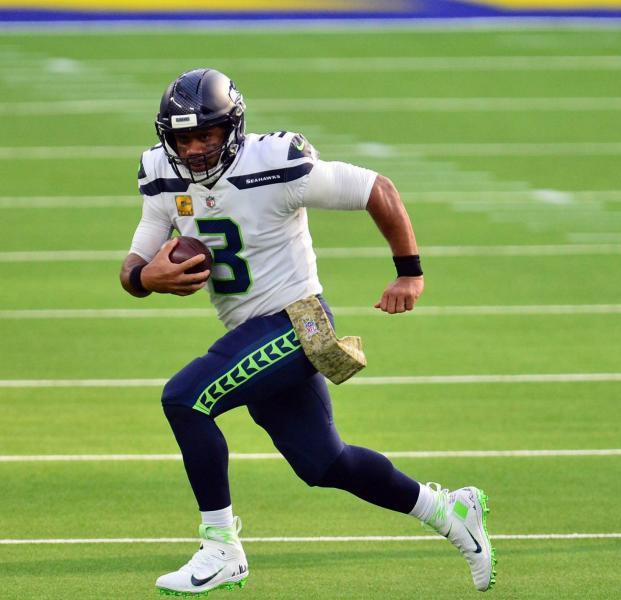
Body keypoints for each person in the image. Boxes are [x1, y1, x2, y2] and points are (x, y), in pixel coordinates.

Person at [119, 69, 496, 595]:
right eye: (184, 137)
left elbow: (375, 188)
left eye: (207, 134)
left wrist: (409, 271)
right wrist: (145, 277)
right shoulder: (161, 173)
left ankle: (221, 548)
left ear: (233, 129)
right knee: (325, 463)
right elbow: (134, 264)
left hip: (298, 321)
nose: (197, 148)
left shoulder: (275, 163)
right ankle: (450, 510)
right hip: (250, 331)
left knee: (185, 399)